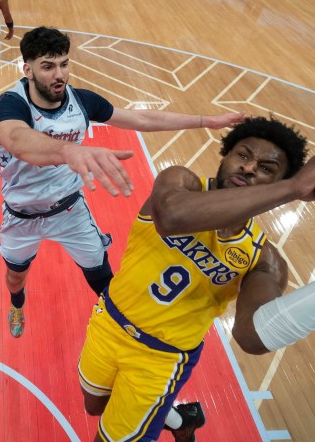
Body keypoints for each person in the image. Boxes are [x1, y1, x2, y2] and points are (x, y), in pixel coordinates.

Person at [0, 26, 245, 339]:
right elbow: (17, 139)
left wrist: (205, 121)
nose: (59, 74)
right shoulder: (11, 104)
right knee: (16, 278)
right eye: (48, 67)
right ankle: (17, 304)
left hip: (69, 212)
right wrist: (68, 149)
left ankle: (117, 329)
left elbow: (141, 119)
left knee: (103, 278)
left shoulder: (82, 102)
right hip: (20, 217)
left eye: (64, 64)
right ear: (27, 69)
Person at [78, 116, 314, 442]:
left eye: (266, 169)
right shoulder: (180, 182)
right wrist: (293, 187)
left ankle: (165, 413)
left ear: (275, 186)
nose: (248, 168)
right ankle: (179, 419)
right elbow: (172, 216)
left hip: (161, 359)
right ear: (226, 155)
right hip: (109, 321)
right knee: (94, 406)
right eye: (243, 155)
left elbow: (253, 336)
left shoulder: (264, 259)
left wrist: (292, 187)